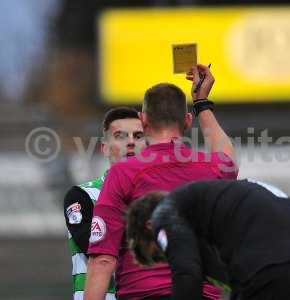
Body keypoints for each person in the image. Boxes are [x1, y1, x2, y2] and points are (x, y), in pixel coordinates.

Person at [84, 64, 239, 300]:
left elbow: (103, 260)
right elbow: (228, 156)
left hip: (143, 294)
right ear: (187, 121)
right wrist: (202, 103)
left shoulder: (123, 173)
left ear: (142, 120)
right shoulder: (211, 168)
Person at [126, 179, 290, 300]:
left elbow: (187, 273)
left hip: (277, 277)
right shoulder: (236, 200)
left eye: (160, 254)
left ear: (149, 226)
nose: (171, 256)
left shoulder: (165, 212)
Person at [63, 107, 146, 300]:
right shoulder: (81, 196)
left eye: (139, 136)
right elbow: (98, 251)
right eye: (120, 136)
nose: (131, 142)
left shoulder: (159, 195)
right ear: (105, 148)